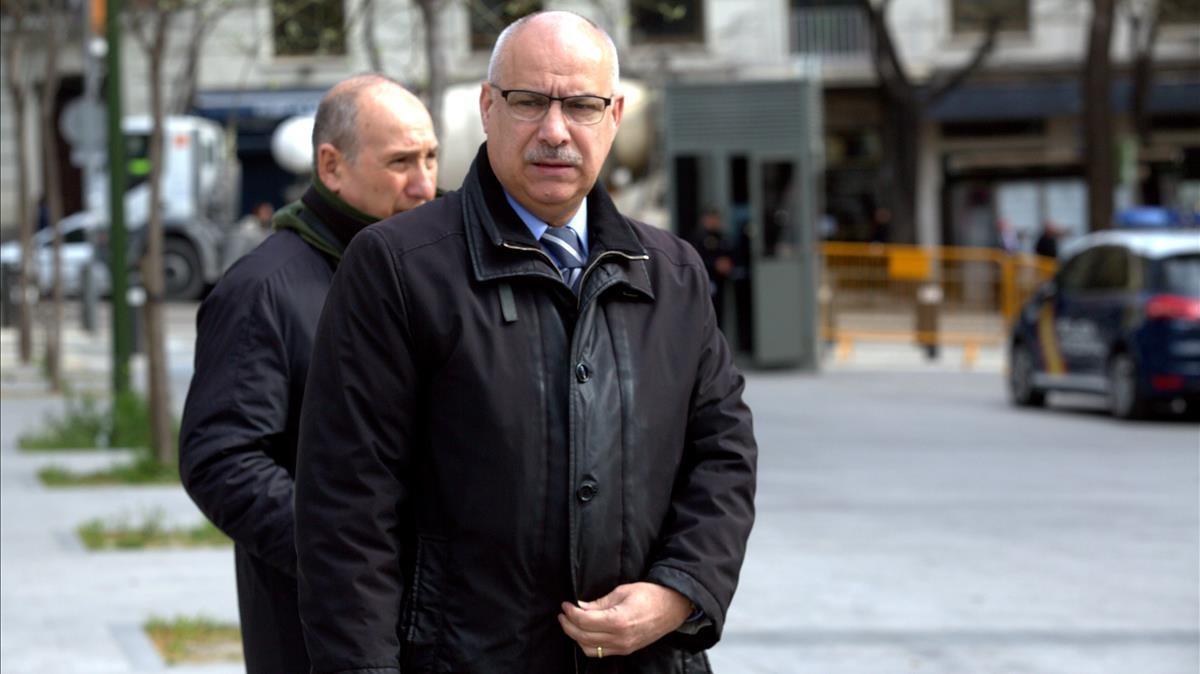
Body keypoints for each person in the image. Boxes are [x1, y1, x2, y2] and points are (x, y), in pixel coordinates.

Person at [294, 11, 757, 673]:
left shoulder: (672, 274)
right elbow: (346, 511)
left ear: (615, 115)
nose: (555, 130)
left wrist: (680, 591)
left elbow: (724, 455)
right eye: (529, 101)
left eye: (581, 105)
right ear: (488, 107)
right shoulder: (398, 268)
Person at [177, 73, 438, 674]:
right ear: (331, 165)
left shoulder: (433, 265)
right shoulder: (261, 289)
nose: (424, 184)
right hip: (320, 635)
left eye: (429, 157)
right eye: (401, 162)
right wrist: (347, 553)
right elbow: (222, 459)